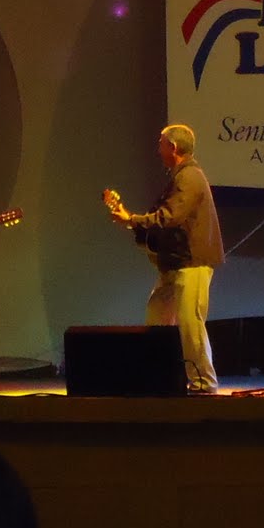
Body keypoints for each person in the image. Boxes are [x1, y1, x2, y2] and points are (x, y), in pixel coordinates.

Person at [106, 123, 224, 393]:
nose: (158, 150)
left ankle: (204, 382)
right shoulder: (180, 177)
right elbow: (164, 221)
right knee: (157, 316)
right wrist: (132, 222)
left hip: (191, 262)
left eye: (160, 144)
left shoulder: (189, 177)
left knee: (191, 324)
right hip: (175, 263)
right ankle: (160, 377)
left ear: (173, 147)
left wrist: (132, 219)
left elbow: (170, 216)